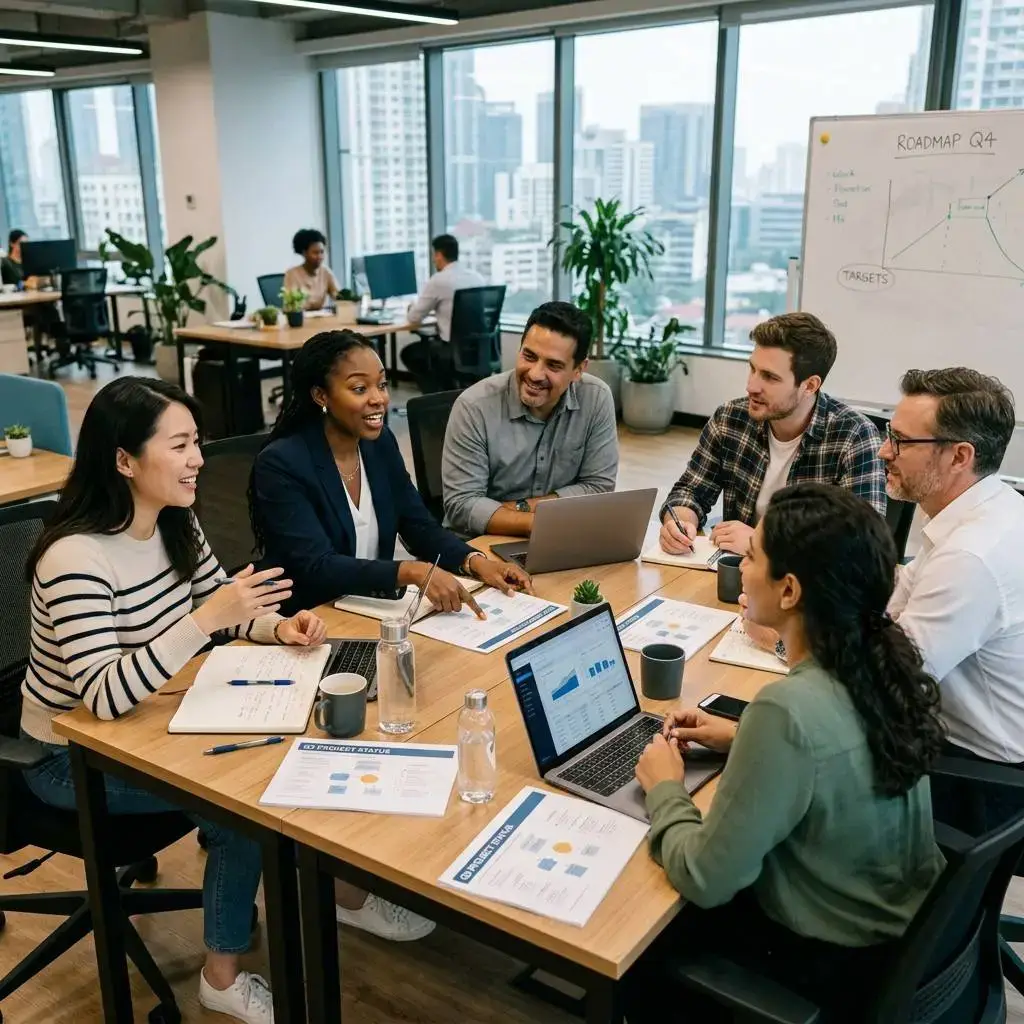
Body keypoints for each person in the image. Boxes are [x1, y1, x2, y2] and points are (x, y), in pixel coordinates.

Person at [20, 376, 329, 1024]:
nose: (197, 459)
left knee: (269, 764)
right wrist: (205, 618)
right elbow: (103, 698)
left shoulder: (173, 520)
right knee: (244, 804)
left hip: (151, 722)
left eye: (198, 443)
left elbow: (224, 611)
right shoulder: (74, 556)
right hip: (67, 756)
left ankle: (247, 899)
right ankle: (220, 978)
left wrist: (278, 626)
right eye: (181, 444)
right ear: (125, 460)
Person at [625, 483, 944, 1023]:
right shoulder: (882, 666)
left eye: (750, 556)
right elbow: (833, 746)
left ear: (790, 590)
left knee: (638, 931)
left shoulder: (787, 710)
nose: (741, 567)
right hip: (892, 943)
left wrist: (665, 789)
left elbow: (705, 878)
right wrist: (742, 734)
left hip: (819, 969)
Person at [879, 367, 1024, 835]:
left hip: (983, 781)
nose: (884, 452)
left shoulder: (970, 555)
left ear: (960, 456)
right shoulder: (988, 508)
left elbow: (889, 682)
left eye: (901, 441)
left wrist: (787, 636)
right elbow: (898, 603)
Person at [658, 312, 886, 556]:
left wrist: (763, 542)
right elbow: (690, 490)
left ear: (809, 386)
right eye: (753, 369)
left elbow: (862, 544)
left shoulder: (854, 436)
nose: (751, 386)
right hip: (739, 575)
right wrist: (681, 522)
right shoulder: (730, 418)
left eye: (769, 377)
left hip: (809, 585)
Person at [441, 300, 618, 538]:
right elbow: (462, 506)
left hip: (560, 536)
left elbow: (599, 487)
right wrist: (541, 523)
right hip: (478, 543)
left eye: (553, 365)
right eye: (529, 356)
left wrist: (519, 508)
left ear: (578, 369)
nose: (535, 374)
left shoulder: (596, 398)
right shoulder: (474, 407)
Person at [402, 234, 485, 393]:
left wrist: (412, 307)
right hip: (479, 350)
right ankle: (449, 395)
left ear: (439, 255)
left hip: (452, 351)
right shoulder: (477, 277)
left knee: (410, 354)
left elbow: (414, 318)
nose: (434, 260)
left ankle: (436, 398)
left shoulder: (439, 280)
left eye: (434, 255)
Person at [283, 228, 339, 311]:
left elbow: (340, 298)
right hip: (301, 320)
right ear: (304, 253)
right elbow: (292, 306)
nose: (320, 256)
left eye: (322, 252)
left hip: (322, 320)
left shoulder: (326, 272)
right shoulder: (292, 274)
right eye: (315, 253)